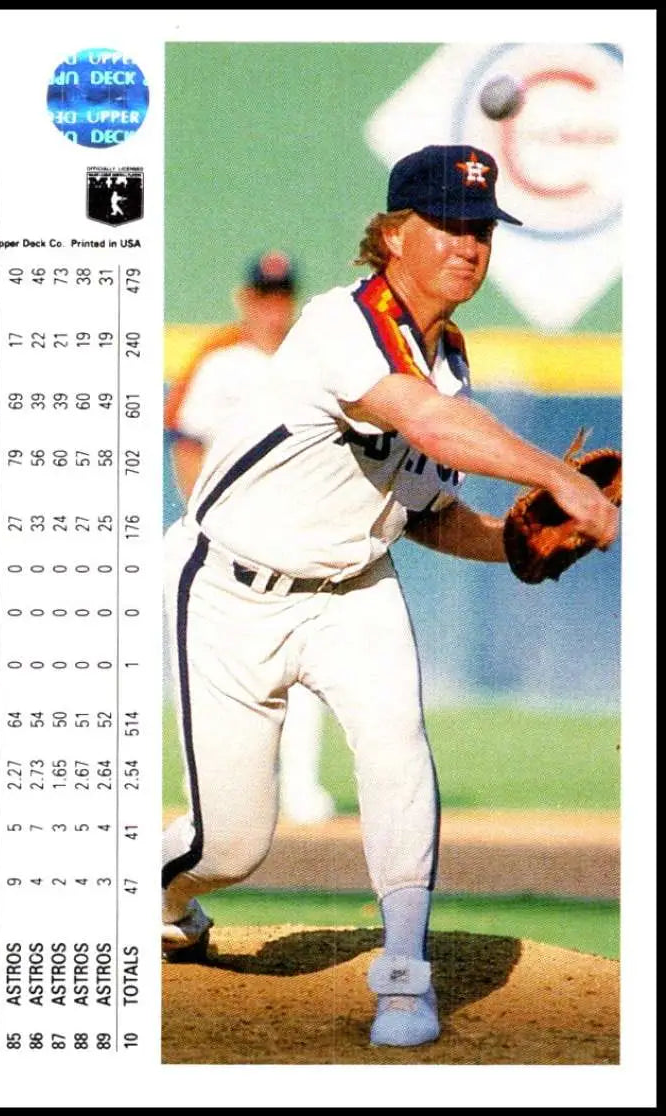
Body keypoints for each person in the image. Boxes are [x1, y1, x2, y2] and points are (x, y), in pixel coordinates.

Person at [160, 145, 619, 1048]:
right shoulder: (342, 321)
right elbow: (426, 420)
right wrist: (558, 481)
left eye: (482, 228)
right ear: (394, 233)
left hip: (353, 591)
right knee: (232, 845)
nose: (469, 244)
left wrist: (510, 547)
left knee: (399, 746)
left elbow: (422, 511)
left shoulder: (450, 356)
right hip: (230, 593)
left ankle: (404, 979)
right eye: (449, 223)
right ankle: (152, 889)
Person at [164, 252, 335, 824]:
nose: (273, 307)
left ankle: (301, 788)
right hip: (227, 537)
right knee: (224, 675)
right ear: (245, 299)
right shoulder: (220, 360)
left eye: (282, 295)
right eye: (264, 295)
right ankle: (218, 799)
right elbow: (186, 442)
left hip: (299, 533)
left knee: (306, 664)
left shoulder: (314, 360)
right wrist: (201, 518)